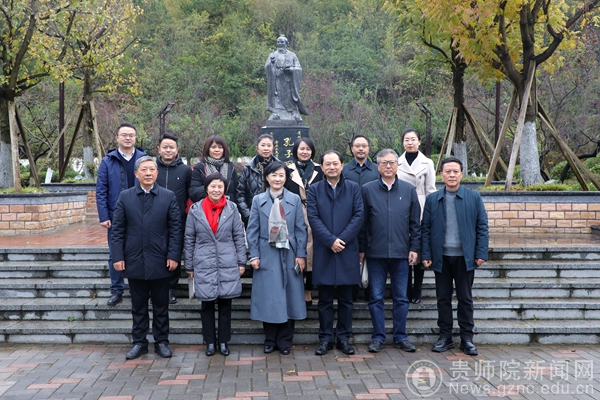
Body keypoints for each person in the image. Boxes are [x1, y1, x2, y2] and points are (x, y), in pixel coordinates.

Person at [111, 156, 181, 360]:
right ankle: (139, 342)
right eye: (144, 169)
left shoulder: (168, 196)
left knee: (161, 306)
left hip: (161, 260)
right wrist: (118, 256)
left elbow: (175, 229)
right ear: (136, 174)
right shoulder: (126, 197)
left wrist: (173, 255)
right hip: (134, 259)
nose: (148, 173)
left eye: (151, 169)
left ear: (157, 173)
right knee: (138, 306)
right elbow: (118, 230)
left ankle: (161, 342)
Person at [421, 157, 489, 356]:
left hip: (464, 257)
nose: (451, 175)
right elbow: (425, 228)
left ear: (461, 174)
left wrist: (481, 252)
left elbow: (482, 227)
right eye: (447, 172)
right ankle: (445, 337)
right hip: (441, 257)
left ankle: (467, 339)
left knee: (465, 299)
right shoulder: (433, 199)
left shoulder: (473, 197)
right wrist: (426, 253)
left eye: (455, 171)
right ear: (441, 175)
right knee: (443, 299)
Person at [359, 149, 421, 353]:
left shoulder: (408, 190)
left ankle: (400, 336)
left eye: (392, 162)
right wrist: (361, 248)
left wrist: (414, 248)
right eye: (384, 163)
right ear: (377, 166)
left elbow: (415, 224)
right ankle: (378, 337)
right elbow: (362, 223)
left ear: (397, 165)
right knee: (376, 297)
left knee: (401, 297)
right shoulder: (367, 190)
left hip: (401, 253)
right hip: (375, 253)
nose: (388, 166)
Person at [246, 161, 307, 355]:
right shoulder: (258, 200)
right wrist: (254, 255)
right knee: (269, 298)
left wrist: (301, 254)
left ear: (286, 177)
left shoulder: (294, 199)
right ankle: (270, 340)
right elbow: (252, 230)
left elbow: (301, 229)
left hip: (290, 252)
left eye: (281, 175)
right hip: (267, 252)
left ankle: (285, 341)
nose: (277, 179)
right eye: (273, 175)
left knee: (290, 296)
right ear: (267, 177)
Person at [307, 150, 364, 356]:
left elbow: (358, 215)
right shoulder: (314, 189)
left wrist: (342, 240)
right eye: (327, 164)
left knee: (347, 300)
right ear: (321, 167)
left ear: (342, 165)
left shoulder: (353, 188)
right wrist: (330, 240)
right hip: (325, 250)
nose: (332, 167)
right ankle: (325, 339)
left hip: (347, 249)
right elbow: (313, 217)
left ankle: (343, 338)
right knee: (324, 300)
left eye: (335, 163)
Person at [184, 173, 246, 357]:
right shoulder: (195, 210)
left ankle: (224, 342)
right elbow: (189, 238)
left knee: (226, 304)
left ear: (224, 189)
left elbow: (238, 236)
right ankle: (210, 342)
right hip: (203, 262)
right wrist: (189, 265)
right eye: (213, 186)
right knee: (207, 305)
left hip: (228, 261)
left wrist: (241, 261)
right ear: (206, 188)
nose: (216, 190)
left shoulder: (232, 208)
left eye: (220, 186)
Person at [96, 123, 147, 306]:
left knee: (139, 252)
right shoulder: (108, 161)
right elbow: (101, 190)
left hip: (141, 214)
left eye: (131, 135)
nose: (128, 138)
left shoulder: (144, 159)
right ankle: (116, 290)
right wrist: (104, 216)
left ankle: (137, 289)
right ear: (117, 137)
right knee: (115, 253)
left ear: (135, 138)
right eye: (124, 135)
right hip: (116, 214)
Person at [397, 129, 437, 304]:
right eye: (406, 140)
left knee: (419, 248)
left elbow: (431, 190)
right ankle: (406, 288)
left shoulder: (427, 163)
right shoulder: (396, 161)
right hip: (401, 206)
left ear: (419, 142)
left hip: (421, 205)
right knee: (404, 248)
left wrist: (430, 212)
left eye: (413, 139)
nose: (410, 142)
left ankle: (417, 289)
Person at [284, 138, 324, 307]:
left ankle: (308, 289)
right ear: (295, 151)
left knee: (313, 253)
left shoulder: (319, 169)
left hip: (316, 213)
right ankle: (296, 289)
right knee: (297, 251)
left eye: (308, 149)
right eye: (302, 149)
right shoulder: (288, 170)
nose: (305, 152)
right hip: (294, 214)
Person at [156, 133, 192, 304]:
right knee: (157, 254)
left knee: (174, 253)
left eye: (172, 147)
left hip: (178, 221)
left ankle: (171, 288)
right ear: (159, 149)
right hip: (155, 220)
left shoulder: (185, 170)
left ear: (177, 150)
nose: (168, 150)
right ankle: (157, 289)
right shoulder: (152, 168)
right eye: (165, 147)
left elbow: (190, 195)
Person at [342, 134, 378, 302]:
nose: (361, 149)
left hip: (374, 219)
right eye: (357, 146)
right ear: (352, 149)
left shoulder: (377, 169)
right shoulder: (344, 170)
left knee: (372, 256)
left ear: (369, 148)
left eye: (364, 145)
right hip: (349, 219)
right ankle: (351, 293)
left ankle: (371, 293)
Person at [236, 134, 280, 226]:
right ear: (257, 148)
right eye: (263, 145)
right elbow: (240, 194)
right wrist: (248, 215)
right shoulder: (248, 168)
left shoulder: (280, 168)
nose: (266, 148)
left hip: (277, 216)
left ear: (273, 148)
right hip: (253, 216)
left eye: (269, 145)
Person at [265, 35, 309, 123]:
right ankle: (276, 113)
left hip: (289, 82)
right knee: (278, 99)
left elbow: (299, 68)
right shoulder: (273, 55)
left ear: (286, 44)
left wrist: (291, 70)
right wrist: (272, 63)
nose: (280, 44)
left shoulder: (292, 55)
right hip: (277, 82)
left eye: (282, 42)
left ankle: (294, 113)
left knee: (291, 98)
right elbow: (267, 67)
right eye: (278, 42)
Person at [189, 135, 239, 203]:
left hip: (228, 206)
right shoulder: (200, 168)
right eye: (213, 147)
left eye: (220, 147)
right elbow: (193, 192)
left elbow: (237, 191)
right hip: (206, 207)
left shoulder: (231, 168)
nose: (217, 150)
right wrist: (211, 188)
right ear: (207, 149)